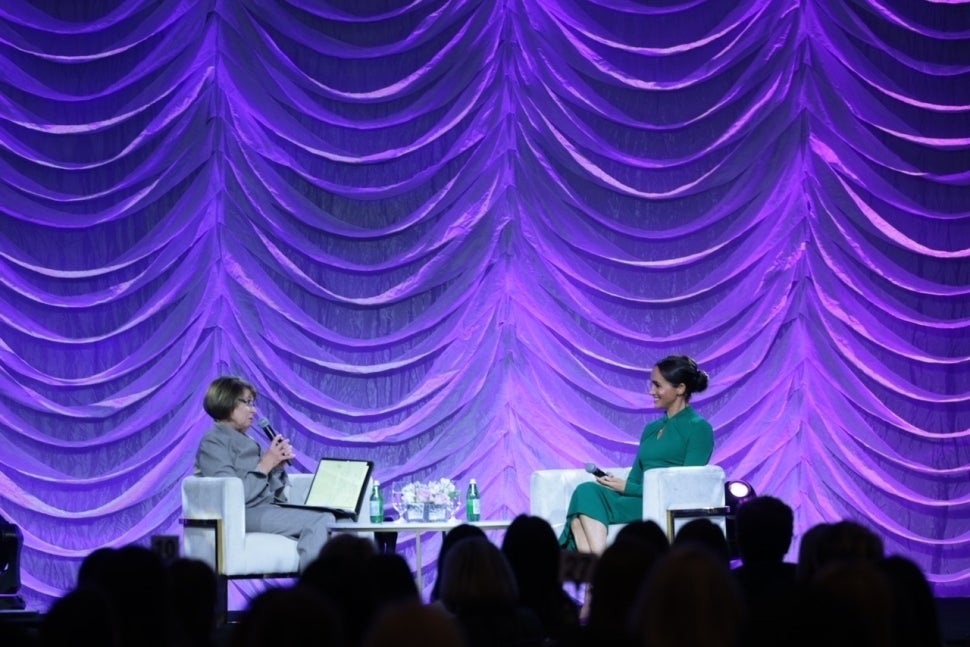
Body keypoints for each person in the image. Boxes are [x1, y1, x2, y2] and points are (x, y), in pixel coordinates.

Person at [559, 355, 714, 554]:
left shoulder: (699, 428)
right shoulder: (651, 429)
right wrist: (617, 484)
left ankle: (599, 570)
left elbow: (686, 487)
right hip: (637, 497)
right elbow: (635, 478)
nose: (651, 391)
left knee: (580, 517)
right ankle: (600, 568)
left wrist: (627, 487)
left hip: (661, 505)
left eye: (658, 385)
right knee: (586, 492)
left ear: (680, 388)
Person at [194, 376, 333, 571]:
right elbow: (229, 495)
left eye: (253, 403)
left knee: (335, 517)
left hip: (265, 507)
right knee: (320, 519)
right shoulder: (214, 441)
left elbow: (269, 489)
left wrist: (276, 467)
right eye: (247, 403)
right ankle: (315, 585)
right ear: (226, 402)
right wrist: (266, 464)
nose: (254, 410)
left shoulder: (248, 440)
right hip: (240, 513)